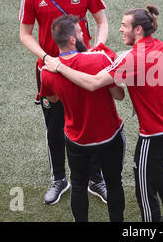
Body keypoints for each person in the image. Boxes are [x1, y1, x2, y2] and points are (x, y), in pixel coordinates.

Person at [45, 5, 163, 222]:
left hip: (153, 134)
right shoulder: (159, 46)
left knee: (144, 190)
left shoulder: (131, 58)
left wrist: (59, 66)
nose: (120, 29)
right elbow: (118, 92)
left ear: (138, 30)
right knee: (156, 169)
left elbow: (93, 83)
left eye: (124, 25)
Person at [18, 0, 108, 205]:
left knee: (89, 122)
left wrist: (98, 49)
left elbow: (101, 21)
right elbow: (25, 34)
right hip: (49, 70)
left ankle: (95, 179)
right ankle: (59, 178)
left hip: (83, 66)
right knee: (55, 127)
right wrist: (47, 59)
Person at [40, 15, 126, 221]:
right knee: (114, 183)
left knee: (78, 185)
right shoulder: (101, 59)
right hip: (109, 136)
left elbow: (52, 98)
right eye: (80, 32)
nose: (83, 35)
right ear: (71, 39)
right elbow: (119, 95)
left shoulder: (47, 72)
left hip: (77, 139)